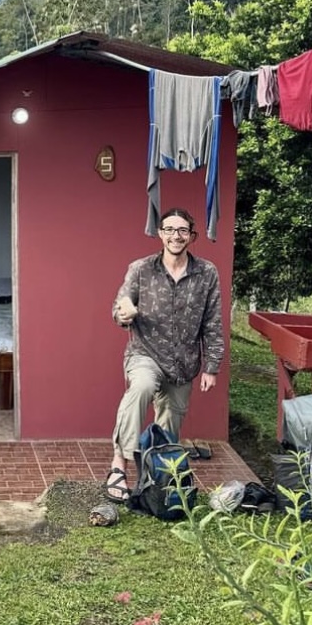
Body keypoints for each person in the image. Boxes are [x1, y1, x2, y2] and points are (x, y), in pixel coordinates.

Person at [104, 207, 225, 503]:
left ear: (191, 236)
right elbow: (119, 306)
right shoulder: (141, 269)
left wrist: (211, 366)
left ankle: (155, 479)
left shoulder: (206, 273)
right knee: (142, 387)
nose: (176, 236)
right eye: (170, 229)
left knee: (169, 422)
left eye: (182, 230)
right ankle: (119, 466)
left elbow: (213, 321)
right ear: (160, 234)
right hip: (145, 352)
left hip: (183, 363)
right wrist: (125, 312)